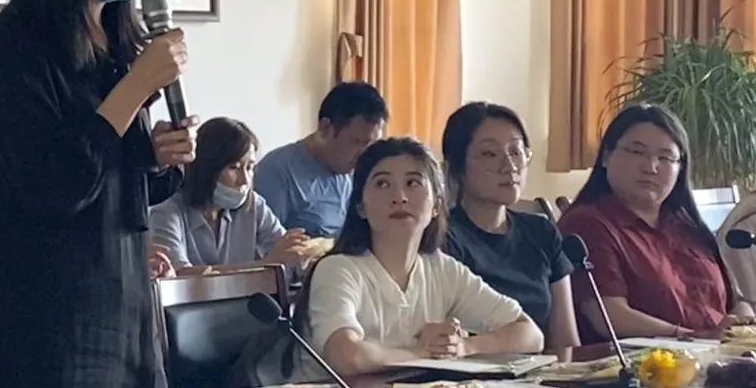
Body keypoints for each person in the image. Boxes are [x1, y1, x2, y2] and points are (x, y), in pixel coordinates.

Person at [0, 0, 198, 388]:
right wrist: (135, 87)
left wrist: (157, 156)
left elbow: (120, 182)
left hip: (125, 301)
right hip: (48, 317)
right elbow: (52, 185)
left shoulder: (117, 45)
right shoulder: (12, 45)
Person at [296, 137, 543, 377]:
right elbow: (346, 356)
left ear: (436, 205)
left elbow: (531, 334)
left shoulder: (442, 269)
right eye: (382, 184)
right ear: (360, 206)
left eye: (413, 183)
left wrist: (462, 347)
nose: (399, 197)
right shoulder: (338, 269)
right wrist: (421, 352)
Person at [558, 104, 755, 343]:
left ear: (680, 168)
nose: (650, 167)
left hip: (719, 353)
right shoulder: (588, 223)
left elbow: (736, 301)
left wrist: (744, 323)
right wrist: (693, 337)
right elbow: (608, 315)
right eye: (636, 152)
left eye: (665, 157)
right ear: (606, 157)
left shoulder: (686, 225)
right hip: (649, 360)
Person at [441, 102, 580, 350]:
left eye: (516, 152)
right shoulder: (443, 237)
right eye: (489, 154)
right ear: (457, 167)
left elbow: (566, 343)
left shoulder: (542, 231)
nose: (510, 166)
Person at [149, 117, 312, 275]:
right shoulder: (167, 211)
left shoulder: (253, 204)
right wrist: (265, 265)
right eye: (234, 167)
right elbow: (179, 276)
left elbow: (285, 252)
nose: (245, 180)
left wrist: (301, 253)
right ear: (207, 168)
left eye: (249, 168)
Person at [254, 81, 387, 237]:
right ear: (325, 128)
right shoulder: (277, 171)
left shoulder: (360, 174)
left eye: (370, 144)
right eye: (356, 142)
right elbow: (264, 245)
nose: (364, 154)